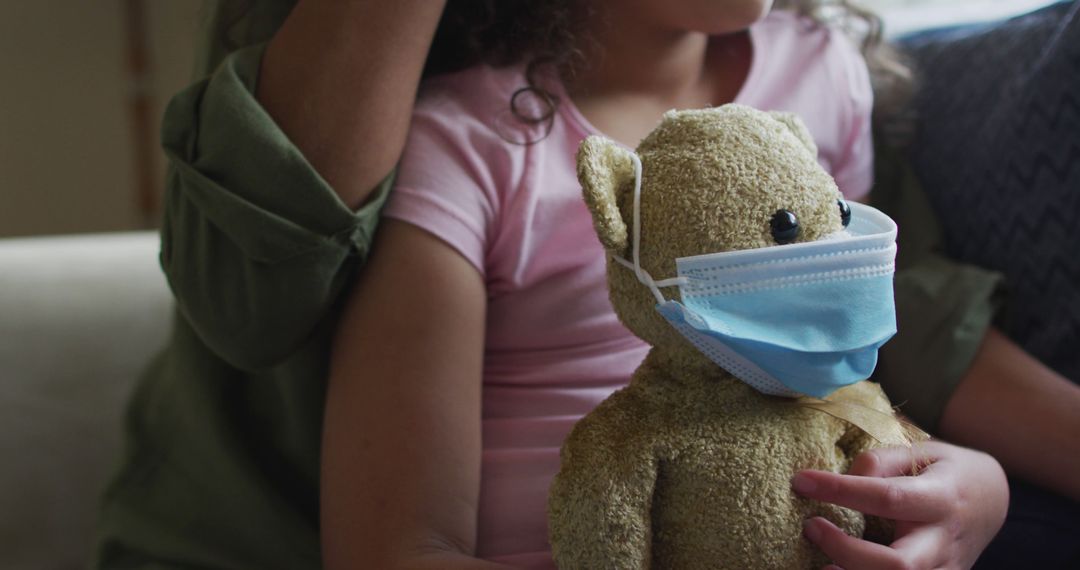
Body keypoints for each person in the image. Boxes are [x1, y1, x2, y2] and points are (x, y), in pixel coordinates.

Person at [95, 1, 1015, 569]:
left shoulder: (822, 78)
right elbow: (395, 548)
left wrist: (977, 490)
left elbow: (855, 377)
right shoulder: (468, 148)